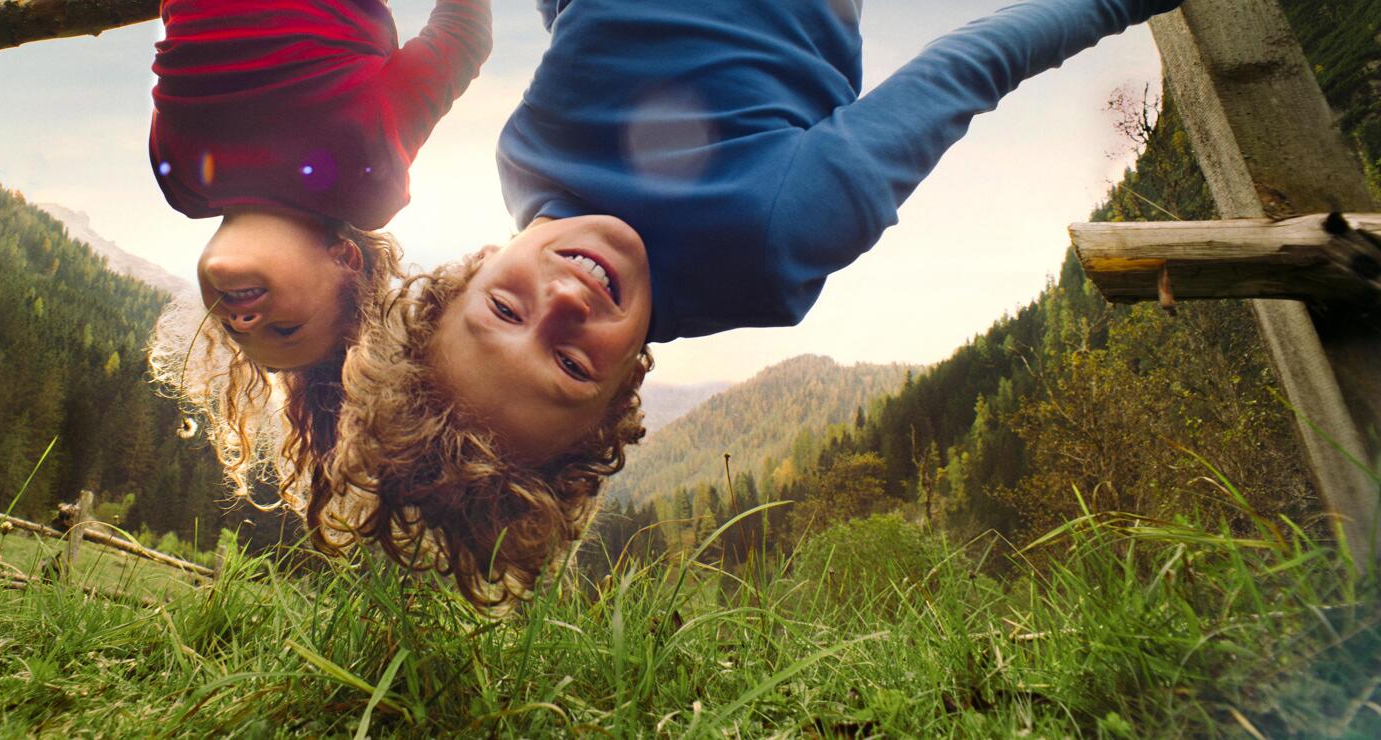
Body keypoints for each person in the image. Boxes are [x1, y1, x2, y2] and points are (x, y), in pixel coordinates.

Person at [324, 0, 1186, 607]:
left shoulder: (524, 158)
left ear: (468, 274)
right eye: (572, 364)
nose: (563, 301)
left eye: (505, 311)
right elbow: (969, 67)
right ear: (619, 397)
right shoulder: (771, 239)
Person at [144, 0, 491, 501]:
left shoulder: (180, 182)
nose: (243, 321)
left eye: (235, 331)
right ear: (346, 260)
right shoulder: (365, 180)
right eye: (285, 328)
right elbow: (463, 38)